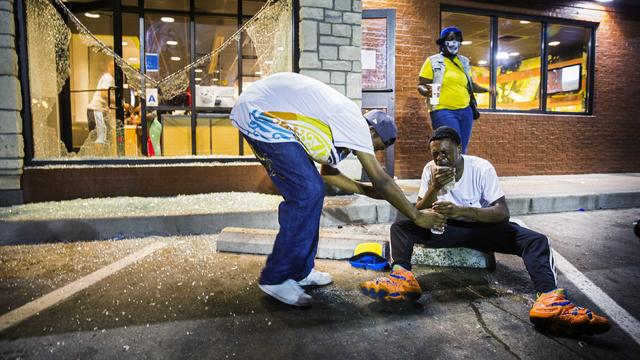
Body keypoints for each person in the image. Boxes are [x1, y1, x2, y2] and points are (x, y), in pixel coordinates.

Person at [360, 126, 611, 336]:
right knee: (401, 227)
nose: (440, 159)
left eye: (445, 153)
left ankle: (550, 301)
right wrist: (434, 188)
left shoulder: (481, 168)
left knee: (535, 240)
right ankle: (401, 277)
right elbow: (417, 209)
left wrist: (462, 211)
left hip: (480, 227)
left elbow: (502, 212)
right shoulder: (430, 170)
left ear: (460, 150)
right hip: (446, 229)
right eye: (435, 154)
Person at [230, 72, 444, 307]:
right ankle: (276, 277)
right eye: (376, 147)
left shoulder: (340, 129)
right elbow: (382, 179)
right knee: (307, 192)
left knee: (313, 190)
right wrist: (416, 215)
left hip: (264, 108)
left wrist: (364, 191)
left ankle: (300, 271)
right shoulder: (356, 124)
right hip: (258, 110)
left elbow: (329, 174)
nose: (369, 151)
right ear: (373, 132)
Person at [417, 26, 491, 154]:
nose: (454, 43)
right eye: (451, 39)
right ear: (443, 42)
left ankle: (459, 173)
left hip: (465, 111)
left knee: (462, 148)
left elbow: (470, 85)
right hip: (442, 110)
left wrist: (488, 90)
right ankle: (448, 172)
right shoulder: (433, 61)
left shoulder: (464, 62)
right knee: (451, 145)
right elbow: (421, 85)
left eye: (457, 40)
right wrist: (426, 91)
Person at [86, 61, 114, 144]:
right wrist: (119, 102)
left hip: (99, 111)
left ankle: (102, 155)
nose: (114, 69)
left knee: (104, 138)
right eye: (112, 67)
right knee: (100, 139)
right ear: (109, 67)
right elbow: (104, 94)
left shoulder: (110, 79)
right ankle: (99, 156)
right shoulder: (108, 78)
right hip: (97, 110)